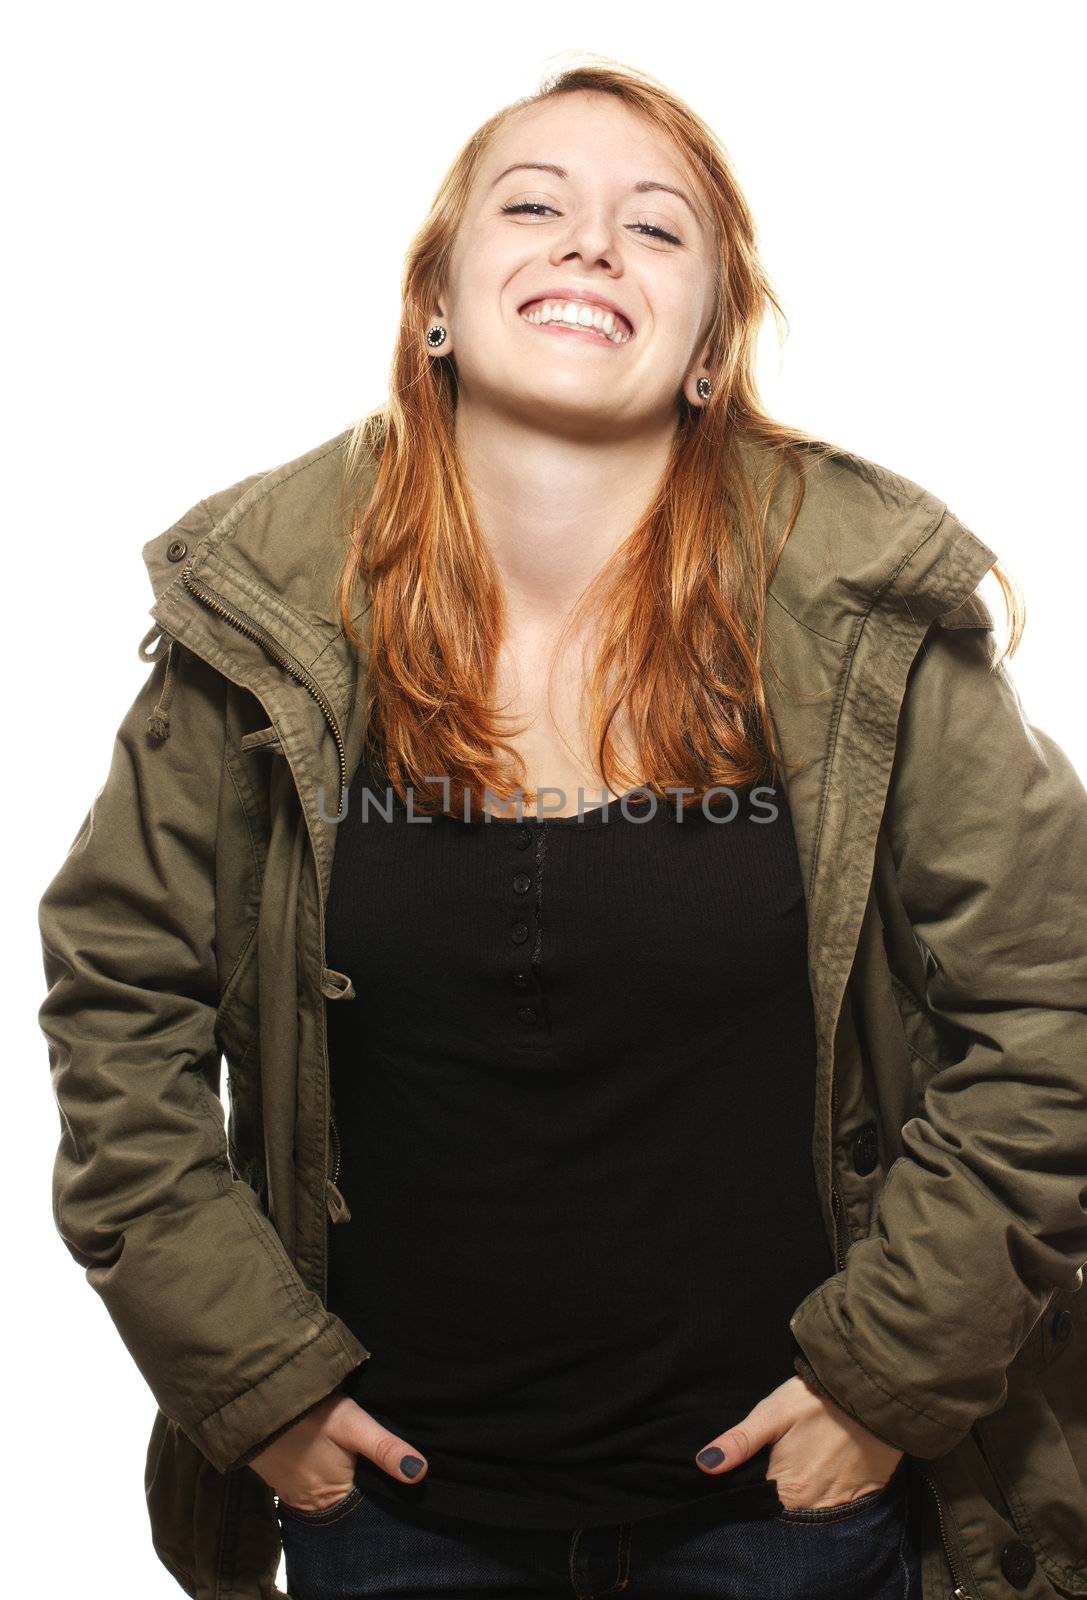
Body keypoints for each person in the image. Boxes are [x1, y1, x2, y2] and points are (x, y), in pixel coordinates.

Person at [37, 60, 1087, 1600]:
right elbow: (118, 1008)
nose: (593, 244)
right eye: (535, 206)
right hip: (387, 1516)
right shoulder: (258, 621)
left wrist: (881, 1387)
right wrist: (258, 1386)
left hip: (784, 1523)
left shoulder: (868, 621)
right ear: (438, 306)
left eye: (657, 230)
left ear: (713, 347)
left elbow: (1050, 1008)